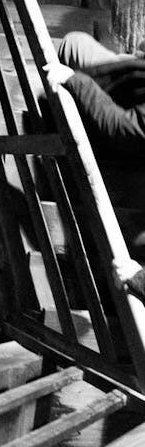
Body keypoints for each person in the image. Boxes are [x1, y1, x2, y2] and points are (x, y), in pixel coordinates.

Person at [44, 31, 145, 300]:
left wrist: (75, 81)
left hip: (119, 133)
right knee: (74, 43)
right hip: (130, 88)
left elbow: (123, 128)